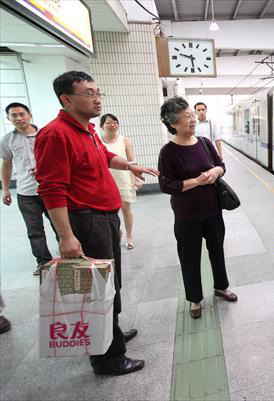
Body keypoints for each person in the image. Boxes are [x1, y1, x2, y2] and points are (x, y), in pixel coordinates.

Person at [34, 71, 159, 375]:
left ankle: (110, 331)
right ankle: (107, 358)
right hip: (85, 220)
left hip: (103, 217)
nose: (97, 98)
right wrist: (66, 236)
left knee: (108, 283)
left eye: (98, 92)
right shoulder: (55, 134)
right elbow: (51, 189)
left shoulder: (87, 130)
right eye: (89, 93)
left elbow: (104, 156)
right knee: (95, 289)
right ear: (66, 99)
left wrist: (130, 165)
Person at [158, 97, 237, 319]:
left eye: (192, 115)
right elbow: (167, 185)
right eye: (186, 117)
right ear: (173, 123)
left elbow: (221, 165)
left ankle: (221, 287)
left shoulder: (204, 142)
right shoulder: (168, 152)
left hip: (213, 210)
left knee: (217, 251)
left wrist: (215, 172)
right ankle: (194, 298)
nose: (193, 119)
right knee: (189, 257)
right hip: (186, 215)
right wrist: (197, 181)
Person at [1, 103, 56, 275]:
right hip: (25, 192)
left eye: (21, 114)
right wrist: (5, 189)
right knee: (34, 230)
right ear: (8, 118)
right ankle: (43, 261)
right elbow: (7, 164)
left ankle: (69, 255)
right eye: (14, 115)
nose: (18, 118)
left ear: (29, 114)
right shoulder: (7, 139)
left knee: (60, 225)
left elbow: (58, 160)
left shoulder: (45, 135)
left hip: (50, 189)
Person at [100, 113, 142, 250]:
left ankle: (129, 237)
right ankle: (116, 232)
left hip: (123, 179)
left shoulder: (124, 140)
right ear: (101, 126)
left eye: (115, 122)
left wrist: (136, 178)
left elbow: (132, 160)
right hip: (106, 180)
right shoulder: (98, 141)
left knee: (125, 208)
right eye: (108, 122)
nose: (113, 124)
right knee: (110, 211)